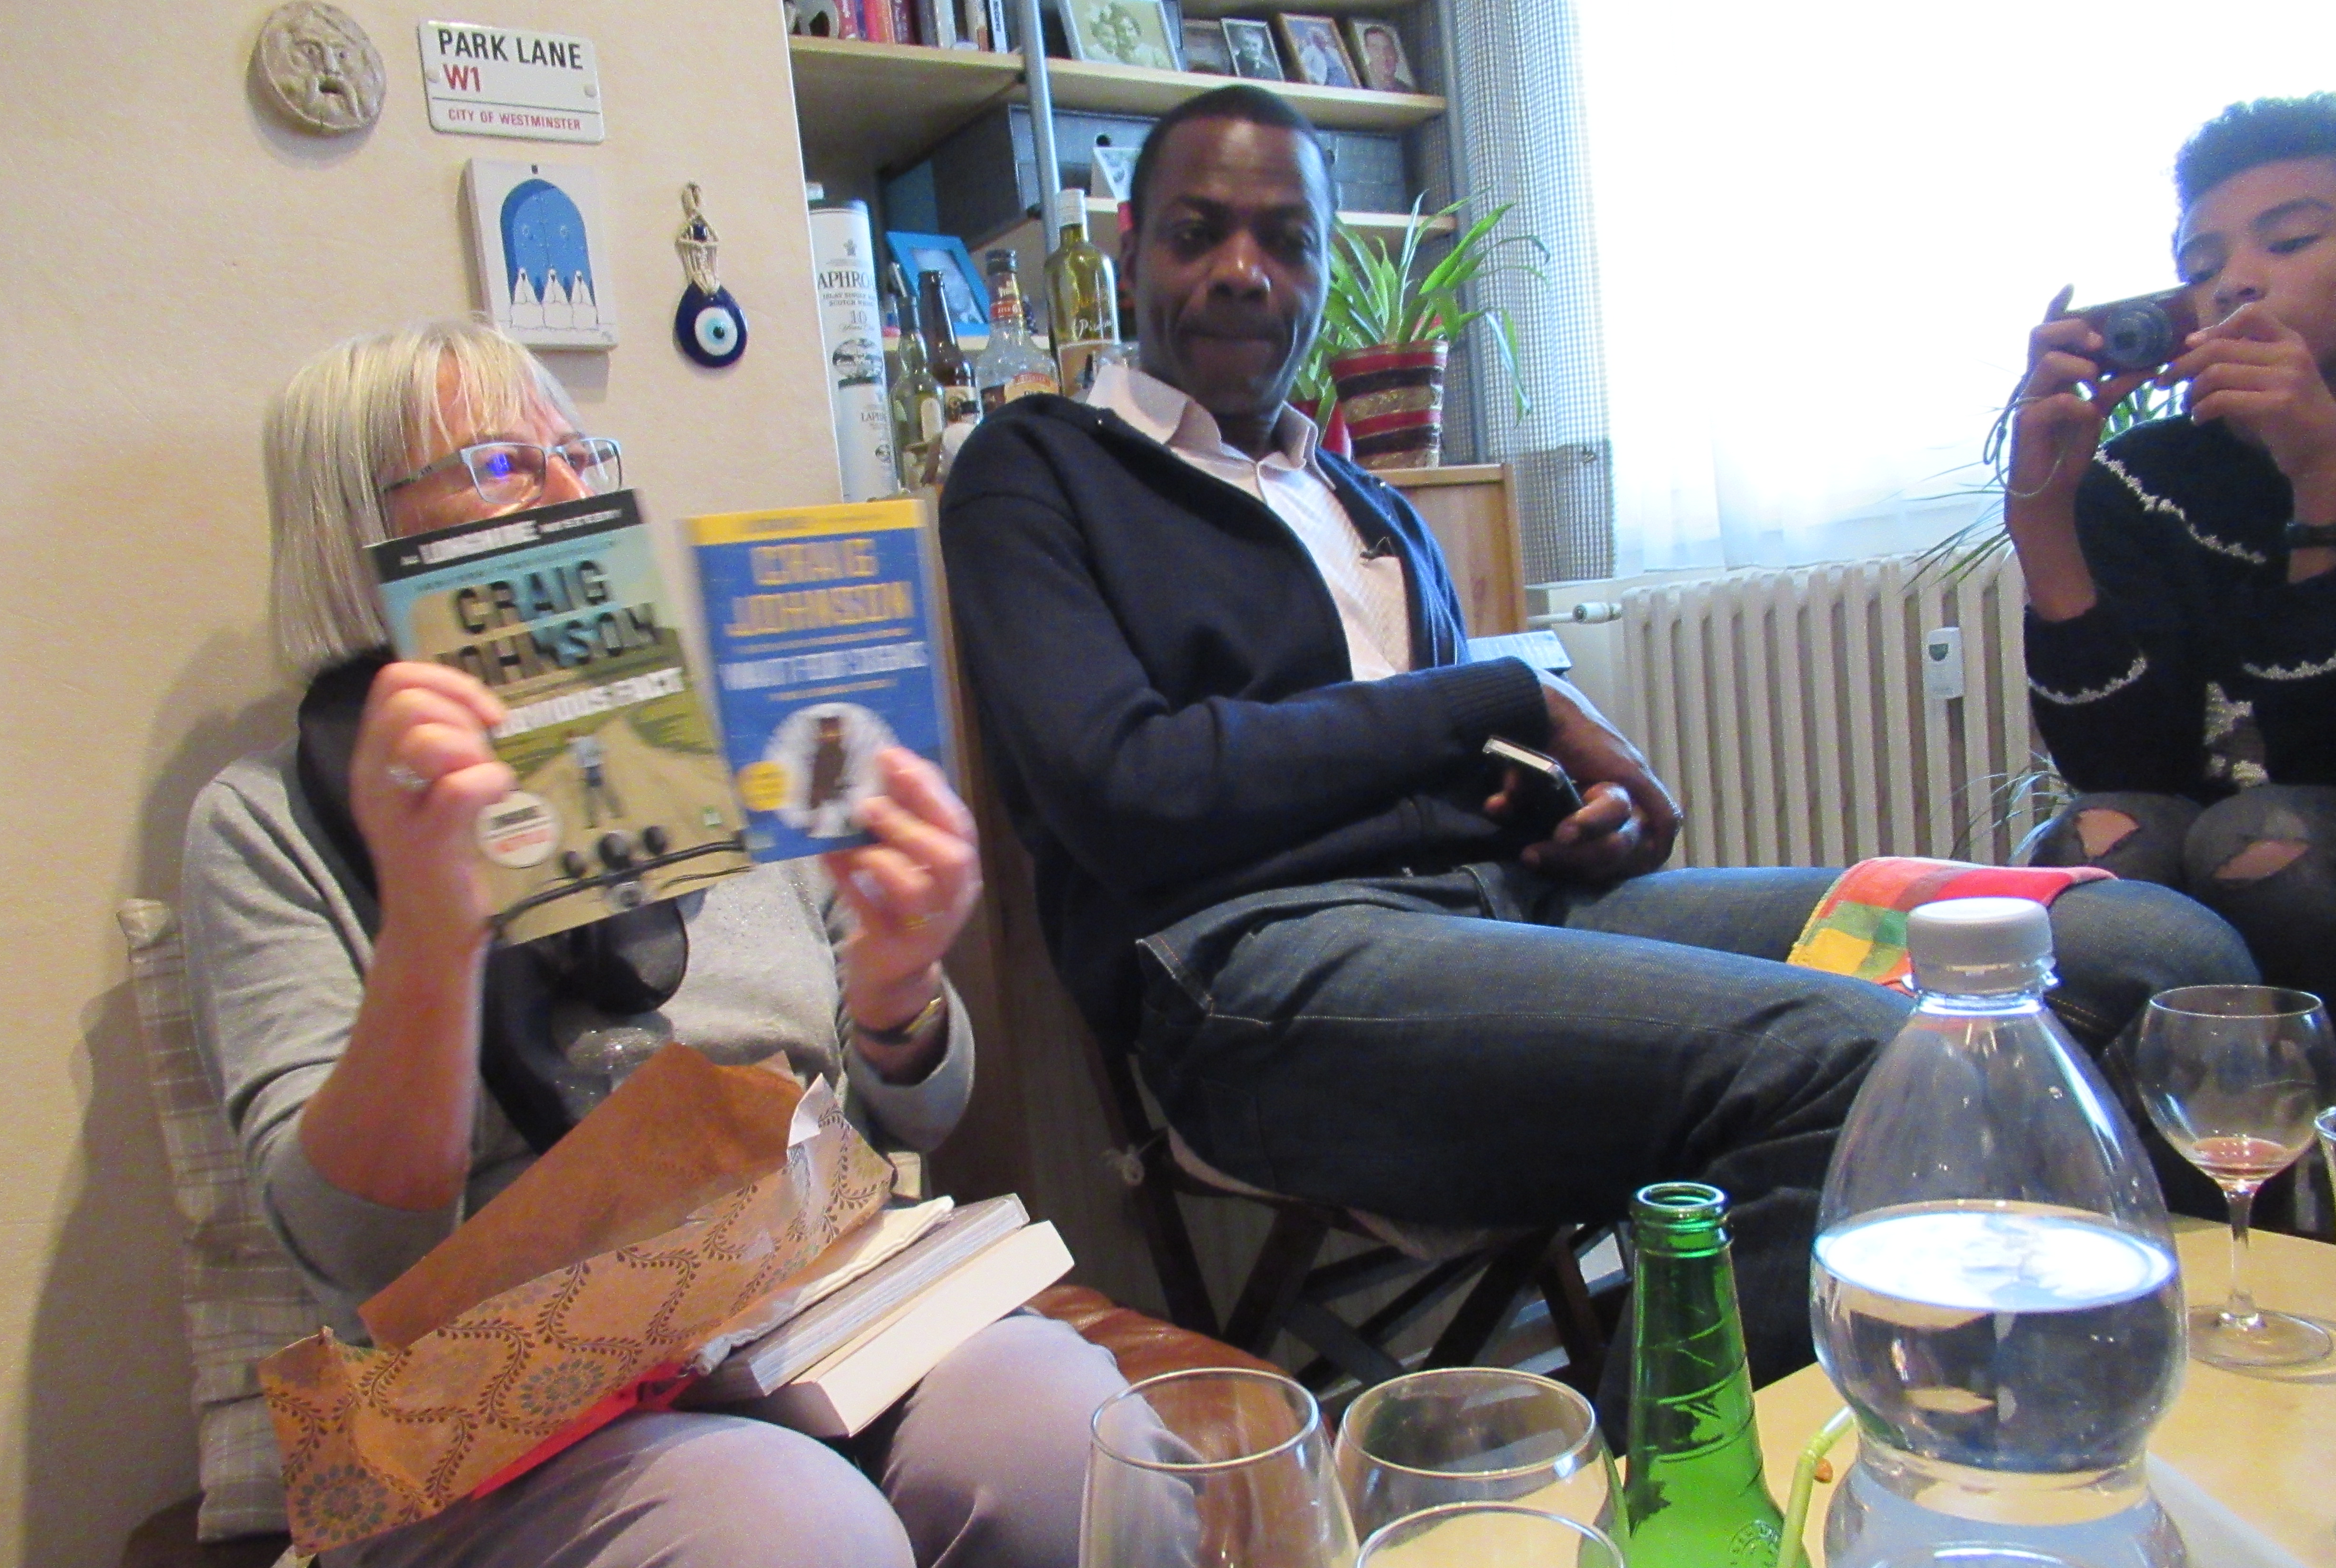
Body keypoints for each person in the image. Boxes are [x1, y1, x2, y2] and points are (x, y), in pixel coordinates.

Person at [938, 85, 2252, 1286]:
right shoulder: (1035, 469)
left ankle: (2169, 1394)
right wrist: (1503, 700)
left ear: (1326, 268)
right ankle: (1696, 1469)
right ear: (1129, 249)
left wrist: (1583, 820)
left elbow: (1435, 773)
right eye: (1197, 234)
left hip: (1520, 914)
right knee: (1859, 1056)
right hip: (1253, 972)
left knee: (2152, 952)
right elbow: (1130, 786)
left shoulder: (1366, 505)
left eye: (1287, 241)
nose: (1243, 270)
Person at [182, 318, 1124, 1568]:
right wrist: (429, 929)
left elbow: (912, 1112)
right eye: (502, 465)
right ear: (358, 533)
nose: (568, 490)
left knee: (1079, 1449)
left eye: (582, 453)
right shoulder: (268, 822)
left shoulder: (721, 757)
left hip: (803, 1308)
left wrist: (898, 988)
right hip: (486, 1412)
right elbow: (356, 1253)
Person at [2009, 94, 2336, 1006]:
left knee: (2270, 843)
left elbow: (2316, 758)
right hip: (2202, 829)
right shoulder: (2143, 477)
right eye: (2203, 265)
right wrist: (2043, 518)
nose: (2236, 283)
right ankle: (2120, 1106)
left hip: (2291, 839)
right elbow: (2123, 769)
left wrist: (2318, 478)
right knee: (2104, 843)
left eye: (2291, 240)